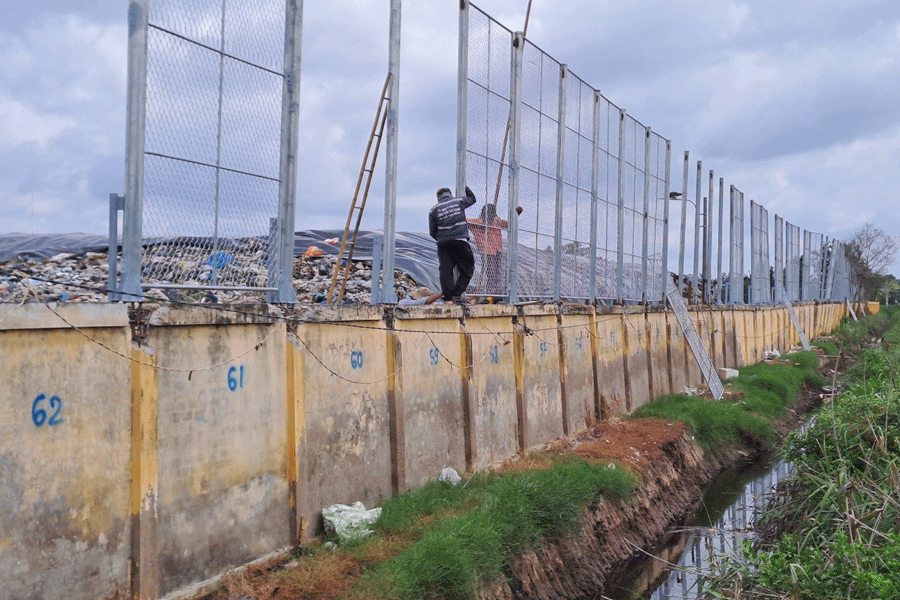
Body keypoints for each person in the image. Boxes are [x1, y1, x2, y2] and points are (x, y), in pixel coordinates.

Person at [429, 186, 477, 303]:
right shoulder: (458, 201)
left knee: (446, 271)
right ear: (450, 193)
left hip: (443, 243)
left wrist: (442, 238)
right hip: (460, 240)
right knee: (467, 269)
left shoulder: (433, 210)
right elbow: (472, 199)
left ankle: (448, 298)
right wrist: (465, 187)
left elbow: (432, 231)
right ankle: (456, 293)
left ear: (438, 197)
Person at [467, 203, 508, 296]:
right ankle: (491, 292)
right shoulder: (477, 223)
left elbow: (507, 224)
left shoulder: (496, 222)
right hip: (487, 251)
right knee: (491, 273)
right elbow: (465, 222)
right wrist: (480, 224)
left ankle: (495, 292)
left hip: (497, 250)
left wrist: (515, 214)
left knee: (497, 273)